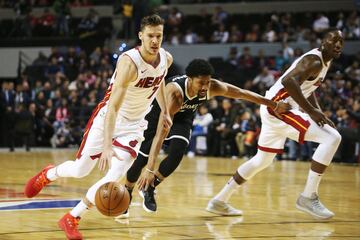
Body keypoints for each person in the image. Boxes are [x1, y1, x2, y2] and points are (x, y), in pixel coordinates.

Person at [24, 14, 172, 240]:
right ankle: (49, 173)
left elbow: (159, 80)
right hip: (108, 118)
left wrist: (165, 111)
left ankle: (72, 217)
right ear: (140, 36)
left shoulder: (165, 59)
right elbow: (113, 106)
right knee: (80, 170)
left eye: (159, 36)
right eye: (150, 36)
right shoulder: (129, 63)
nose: (155, 41)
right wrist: (106, 144)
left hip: (134, 126)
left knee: (113, 177)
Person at [122, 59, 290, 215]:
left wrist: (274, 104)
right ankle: (126, 193)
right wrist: (150, 169)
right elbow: (161, 133)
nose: (204, 86)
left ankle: (149, 188)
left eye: (207, 82)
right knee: (142, 160)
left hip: (184, 116)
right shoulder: (175, 93)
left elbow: (241, 93)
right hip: (158, 115)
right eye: (200, 82)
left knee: (177, 153)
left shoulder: (212, 87)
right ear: (190, 79)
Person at [206, 29, 344, 219]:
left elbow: (308, 89)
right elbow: (289, 81)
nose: (338, 44)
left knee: (262, 160)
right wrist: (310, 111)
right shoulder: (314, 60)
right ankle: (308, 197)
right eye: (333, 40)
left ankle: (219, 201)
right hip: (279, 108)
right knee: (332, 138)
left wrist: (316, 111)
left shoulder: (325, 63)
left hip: (276, 109)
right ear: (323, 43)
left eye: (341, 42)